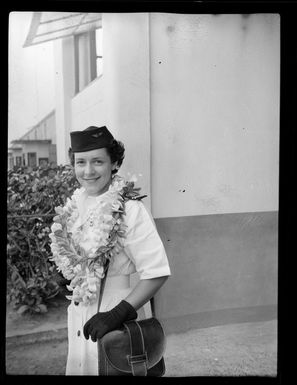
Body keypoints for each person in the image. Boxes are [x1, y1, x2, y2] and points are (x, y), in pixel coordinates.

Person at [49, 125, 171, 375]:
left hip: (117, 314)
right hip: (80, 312)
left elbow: (157, 272)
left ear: (114, 163)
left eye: (98, 161)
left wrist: (117, 314)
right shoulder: (74, 206)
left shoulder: (130, 209)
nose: (88, 170)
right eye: (80, 162)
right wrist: (70, 275)